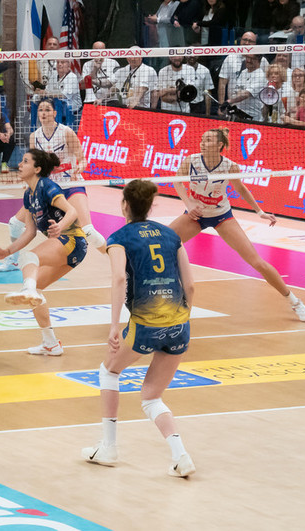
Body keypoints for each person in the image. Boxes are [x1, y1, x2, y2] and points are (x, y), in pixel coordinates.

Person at [82, 179, 196, 476]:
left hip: (145, 325)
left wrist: (113, 325)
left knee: (109, 371)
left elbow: (119, 278)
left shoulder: (119, 237)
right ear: (150, 205)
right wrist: (183, 318)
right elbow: (190, 285)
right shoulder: (171, 235)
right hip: (179, 325)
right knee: (152, 396)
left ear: (125, 205)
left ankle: (109, 447)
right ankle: (181, 456)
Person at [171, 127, 305, 322]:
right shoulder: (191, 160)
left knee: (257, 262)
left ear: (220, 145)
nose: (202, 143)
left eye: (208, 140)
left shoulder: (230, 166)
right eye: (202, 139)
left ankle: (295, 302)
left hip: (221, 216)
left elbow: (241, 189)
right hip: (195, 216)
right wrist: (189, 204)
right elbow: (177, 182)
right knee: (161, 242)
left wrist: (260, 212)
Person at [0, 149, 88, 356]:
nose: (20, 165)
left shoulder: (47, 186)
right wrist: (7, 251)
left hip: (72, 239)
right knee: (37, 292)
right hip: (68, 246)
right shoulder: (29, 195)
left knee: (29, 258)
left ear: (37, 169)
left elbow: (72, 211)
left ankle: (28, 289)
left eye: (25, 161)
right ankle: (51, 343)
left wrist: (60, 226)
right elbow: (30, 232)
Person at [0, 98, 104, 272]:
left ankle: (117, 260)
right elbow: (34, 166)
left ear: (54, 113)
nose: (44, 113)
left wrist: (79, 168)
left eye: (47, 110)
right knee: (15, 223)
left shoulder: (66, 132)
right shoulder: (34, 136)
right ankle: (13, 261)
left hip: (70, 184)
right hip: (48, 188)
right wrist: (26, 182)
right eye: (40, 110)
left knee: (88, 230)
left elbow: (82, 158)